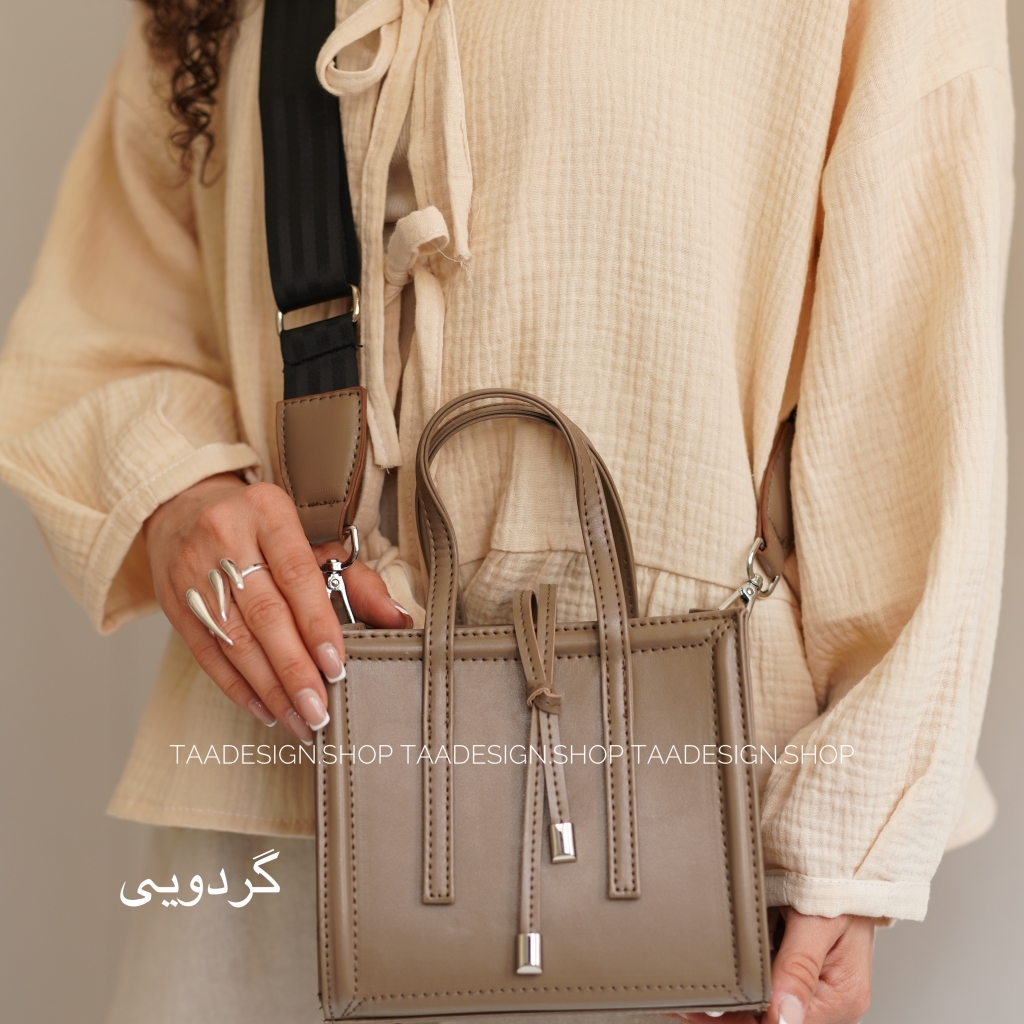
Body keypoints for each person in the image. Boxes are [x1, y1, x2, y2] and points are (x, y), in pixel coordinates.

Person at [0, 0, 1011, 1021]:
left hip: (689, 833)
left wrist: (847, 847)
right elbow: (106, 319)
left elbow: (910, 375)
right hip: (278, 806)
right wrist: (182, 498)